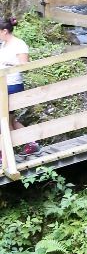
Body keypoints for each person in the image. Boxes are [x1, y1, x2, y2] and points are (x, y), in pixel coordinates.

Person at [0, 17, 39, 157]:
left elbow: (25, 65)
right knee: (9, 119)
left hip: (13, 85)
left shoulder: (19, 44)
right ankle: (30, 143)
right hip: (2, 84)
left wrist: (9, 65)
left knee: (4, 119)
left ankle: (5, 154)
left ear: (5, 31)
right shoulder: (3, 45)